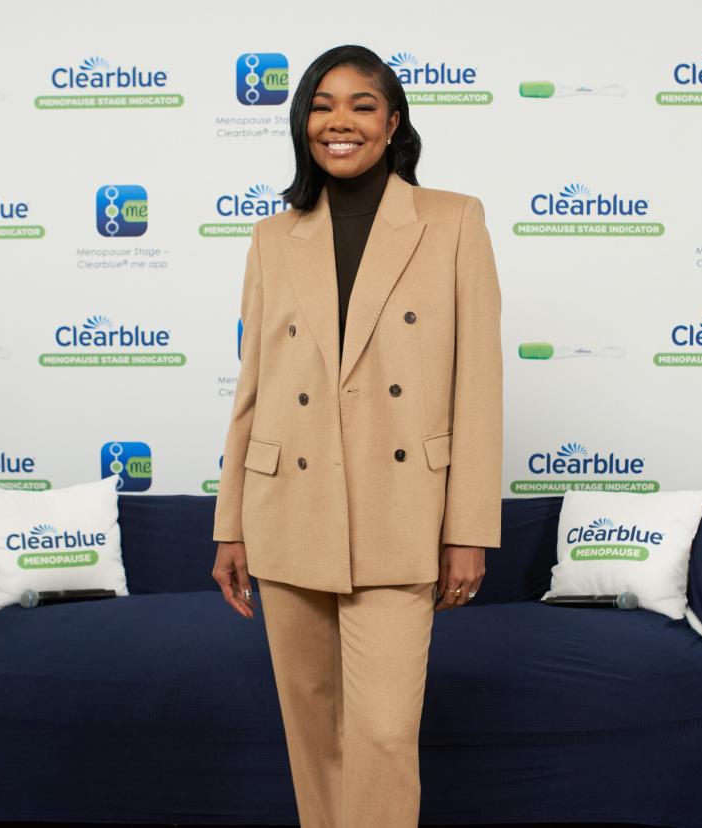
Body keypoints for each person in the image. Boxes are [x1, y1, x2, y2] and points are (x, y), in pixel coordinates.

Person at [211, 43, 503, 828]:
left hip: (399, 510)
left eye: (361, 105)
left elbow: (477, 385)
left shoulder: (452, 220)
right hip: (289, 507)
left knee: (380, 732)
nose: (339, 122)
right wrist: (230, 523)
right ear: (304, 122)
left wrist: (467, 530)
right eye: (321, 105)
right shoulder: (276, 235)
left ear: (393, 121)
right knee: (311, 732)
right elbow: (254, 386)